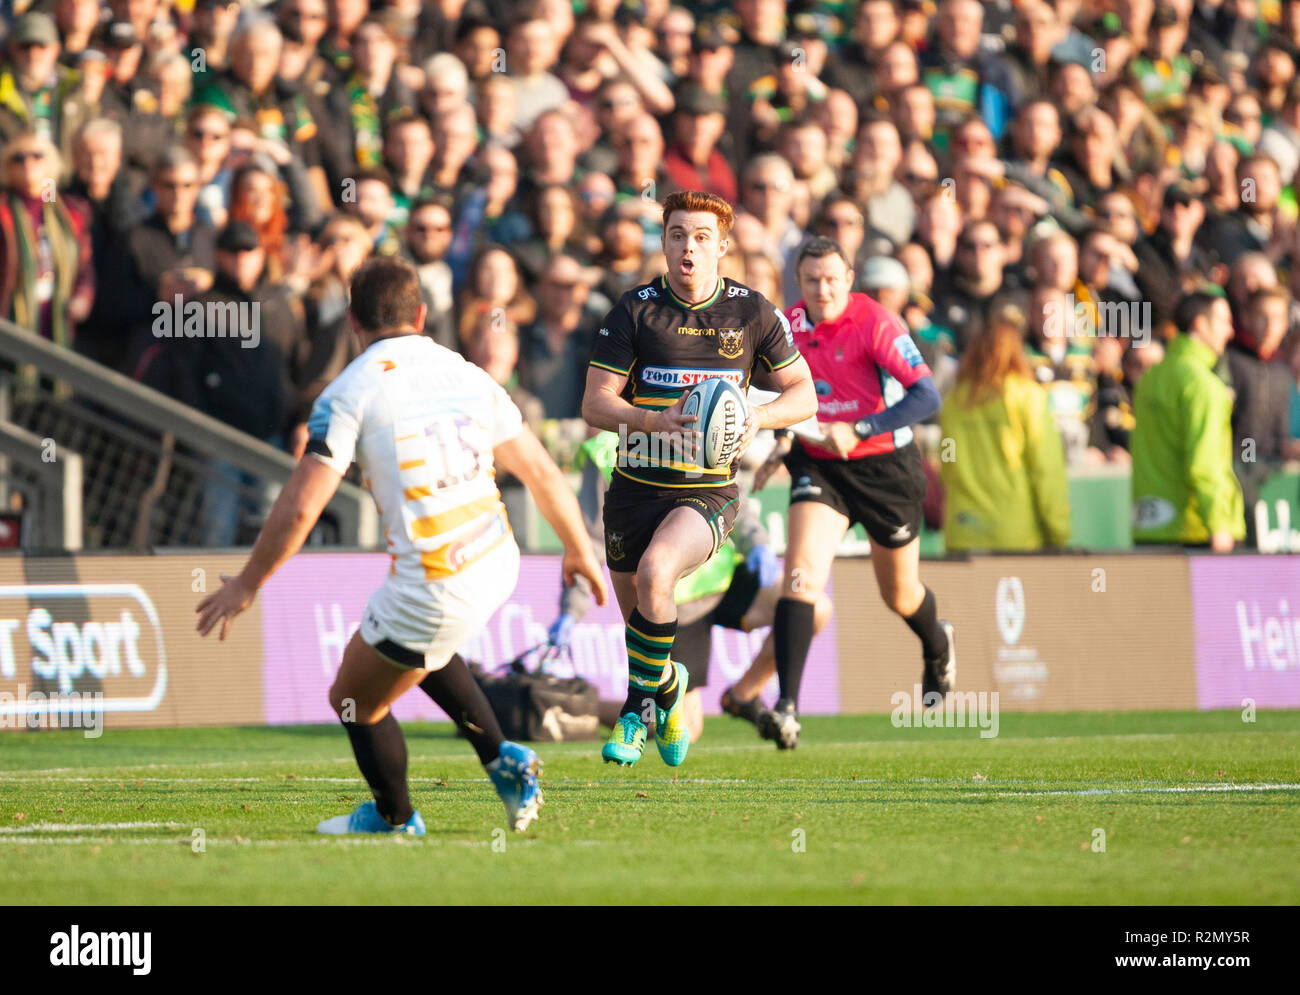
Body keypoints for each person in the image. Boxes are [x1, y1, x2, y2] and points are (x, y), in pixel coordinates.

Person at [196, 256, 607, 835]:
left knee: (353, 699)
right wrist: (578, 549)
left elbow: (299, 508)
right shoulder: (467, 372)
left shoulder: (347, 393)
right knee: (421, 651)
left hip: (436, 580)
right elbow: (540, 470)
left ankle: (395, 817)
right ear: (420, 315)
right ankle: (502, 758)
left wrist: (246, 584)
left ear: (353, 324)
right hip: (497, 558)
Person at [581, 189, 816, 768]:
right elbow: (594, 403)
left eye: (702, 237)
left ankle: (634, 716)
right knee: (642, 622)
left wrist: (755, 416)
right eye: (678, 235)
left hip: (706, 490)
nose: (689, 247)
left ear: (723, 247)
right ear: (663, 243)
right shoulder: (633, 311)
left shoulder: (752, 312)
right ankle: (667, 686)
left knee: (660, 570)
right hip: (634, 489)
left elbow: (805, 394)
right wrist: (650, 419)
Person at [748, 236, 953, 747]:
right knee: (800, 579)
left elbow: (926, 395)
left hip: (885, 470)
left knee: (900, 596)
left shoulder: (876, 322)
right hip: (822, 468)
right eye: (812, 280)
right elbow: (784, 396)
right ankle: (788, 707)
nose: (822, 290)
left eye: (832, 280)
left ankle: (937, 644)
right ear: (800, 282)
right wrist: (783, 437)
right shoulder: (787, 325)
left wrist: (861, 429)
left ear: (849, 280)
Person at [939, 306, 1071, 551]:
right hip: (1017, 536)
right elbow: (1046, 468)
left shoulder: (953, 403)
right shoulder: (1028, 397)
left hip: (964, 533)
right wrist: (1059, 531)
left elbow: (948, 466)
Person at [1131, 291, 1245, 551]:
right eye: (1223, 322)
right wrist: (1219, 525)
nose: (1230, 331)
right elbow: (1205, 463)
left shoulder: (1150, 378)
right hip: (1194, 531)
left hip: (1149, 528)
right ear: (1200, 324)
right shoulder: (1203, 385)